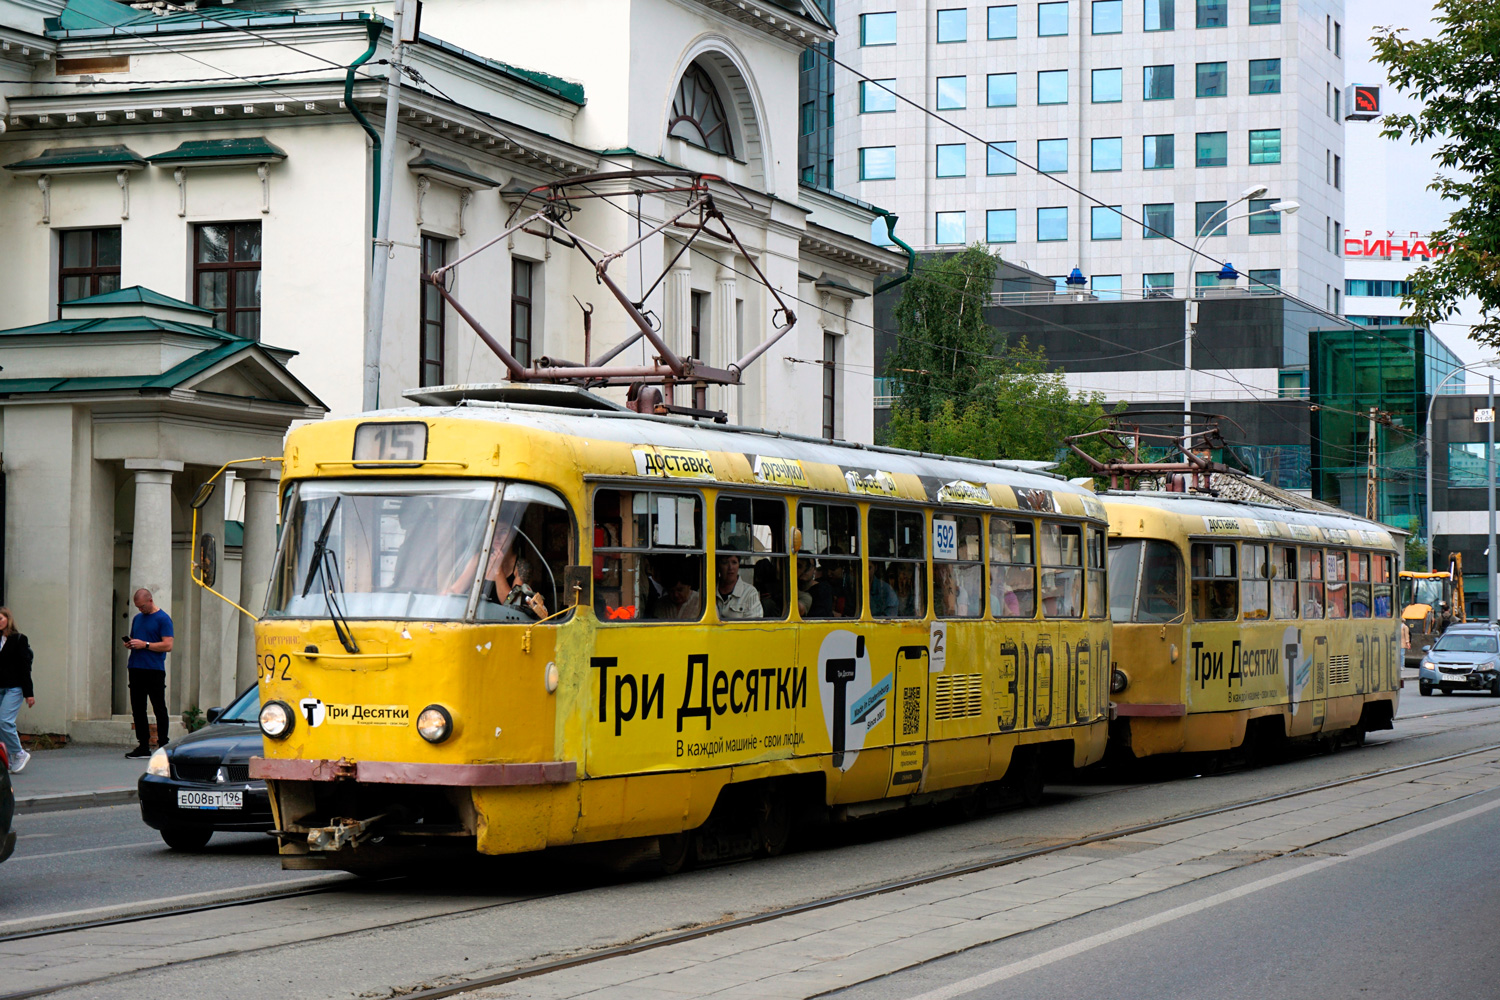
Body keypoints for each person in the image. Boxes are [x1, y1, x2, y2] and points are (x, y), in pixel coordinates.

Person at [124, 588, 173, 759]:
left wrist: (145, 644)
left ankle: (163, 744)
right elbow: (135, 639)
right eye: (138, 607)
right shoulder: (137, 619)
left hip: (154, 669)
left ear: (150, 601)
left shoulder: (163, 619)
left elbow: (168, 645)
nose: (140, 610)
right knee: (138, 708)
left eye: (142, 606)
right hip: (136, 667)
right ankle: (143, 745)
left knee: (159, 707)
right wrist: (131, 644)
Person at [0, 607, 35, 774]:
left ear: (8, 619)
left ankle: (19, 753)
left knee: (4, 721)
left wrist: (29, 693)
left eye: (0, 618)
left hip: (14, 687)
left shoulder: (19, 639)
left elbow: (24, 667)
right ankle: (7, 756)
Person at [715, 554, 763, 620]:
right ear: (718, 566)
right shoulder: (706, 591)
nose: (730, 567)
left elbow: (754, 625)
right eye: (725, 563)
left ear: (738, 565)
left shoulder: (749, 593)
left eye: (734, 562)